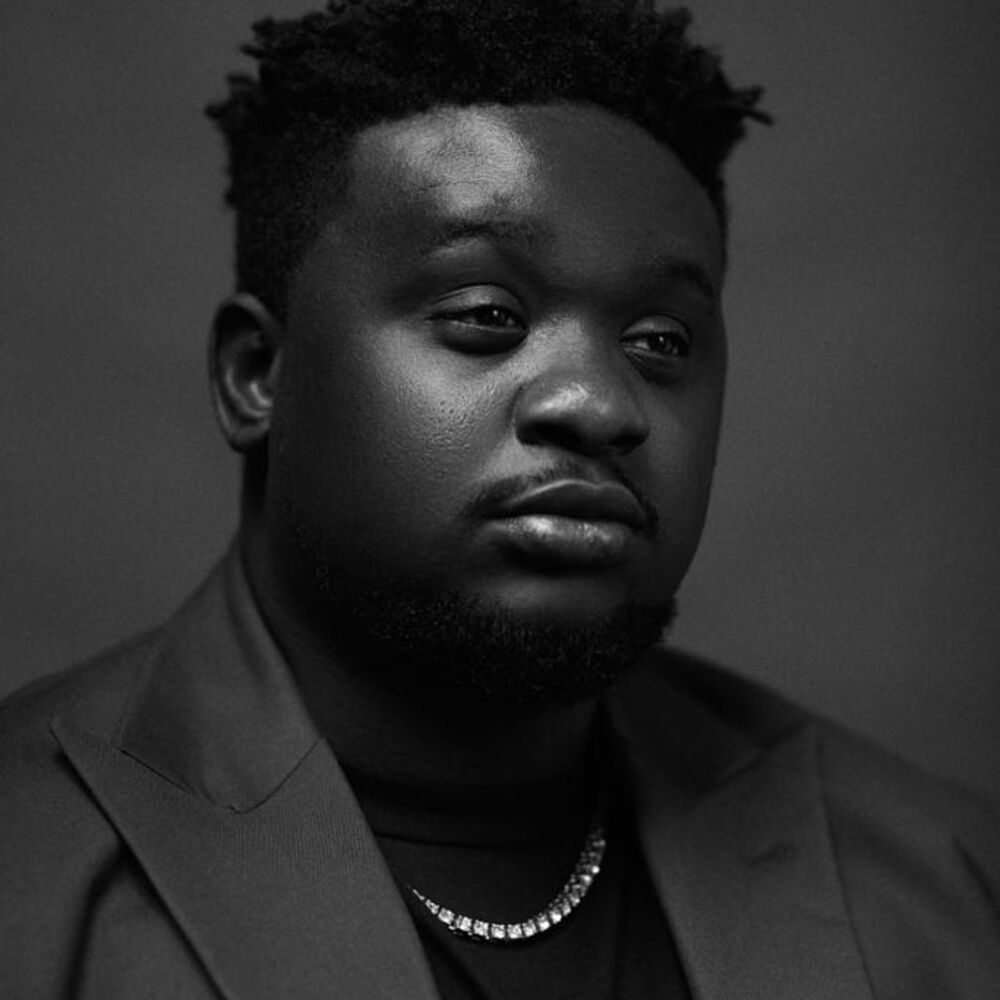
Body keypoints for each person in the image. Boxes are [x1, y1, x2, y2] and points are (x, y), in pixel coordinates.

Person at [1, 0, 997, 996]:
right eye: (486, 314)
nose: (600, 404)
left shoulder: (949, 882)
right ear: (257, 373)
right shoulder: (28, 880)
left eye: (660, 340)